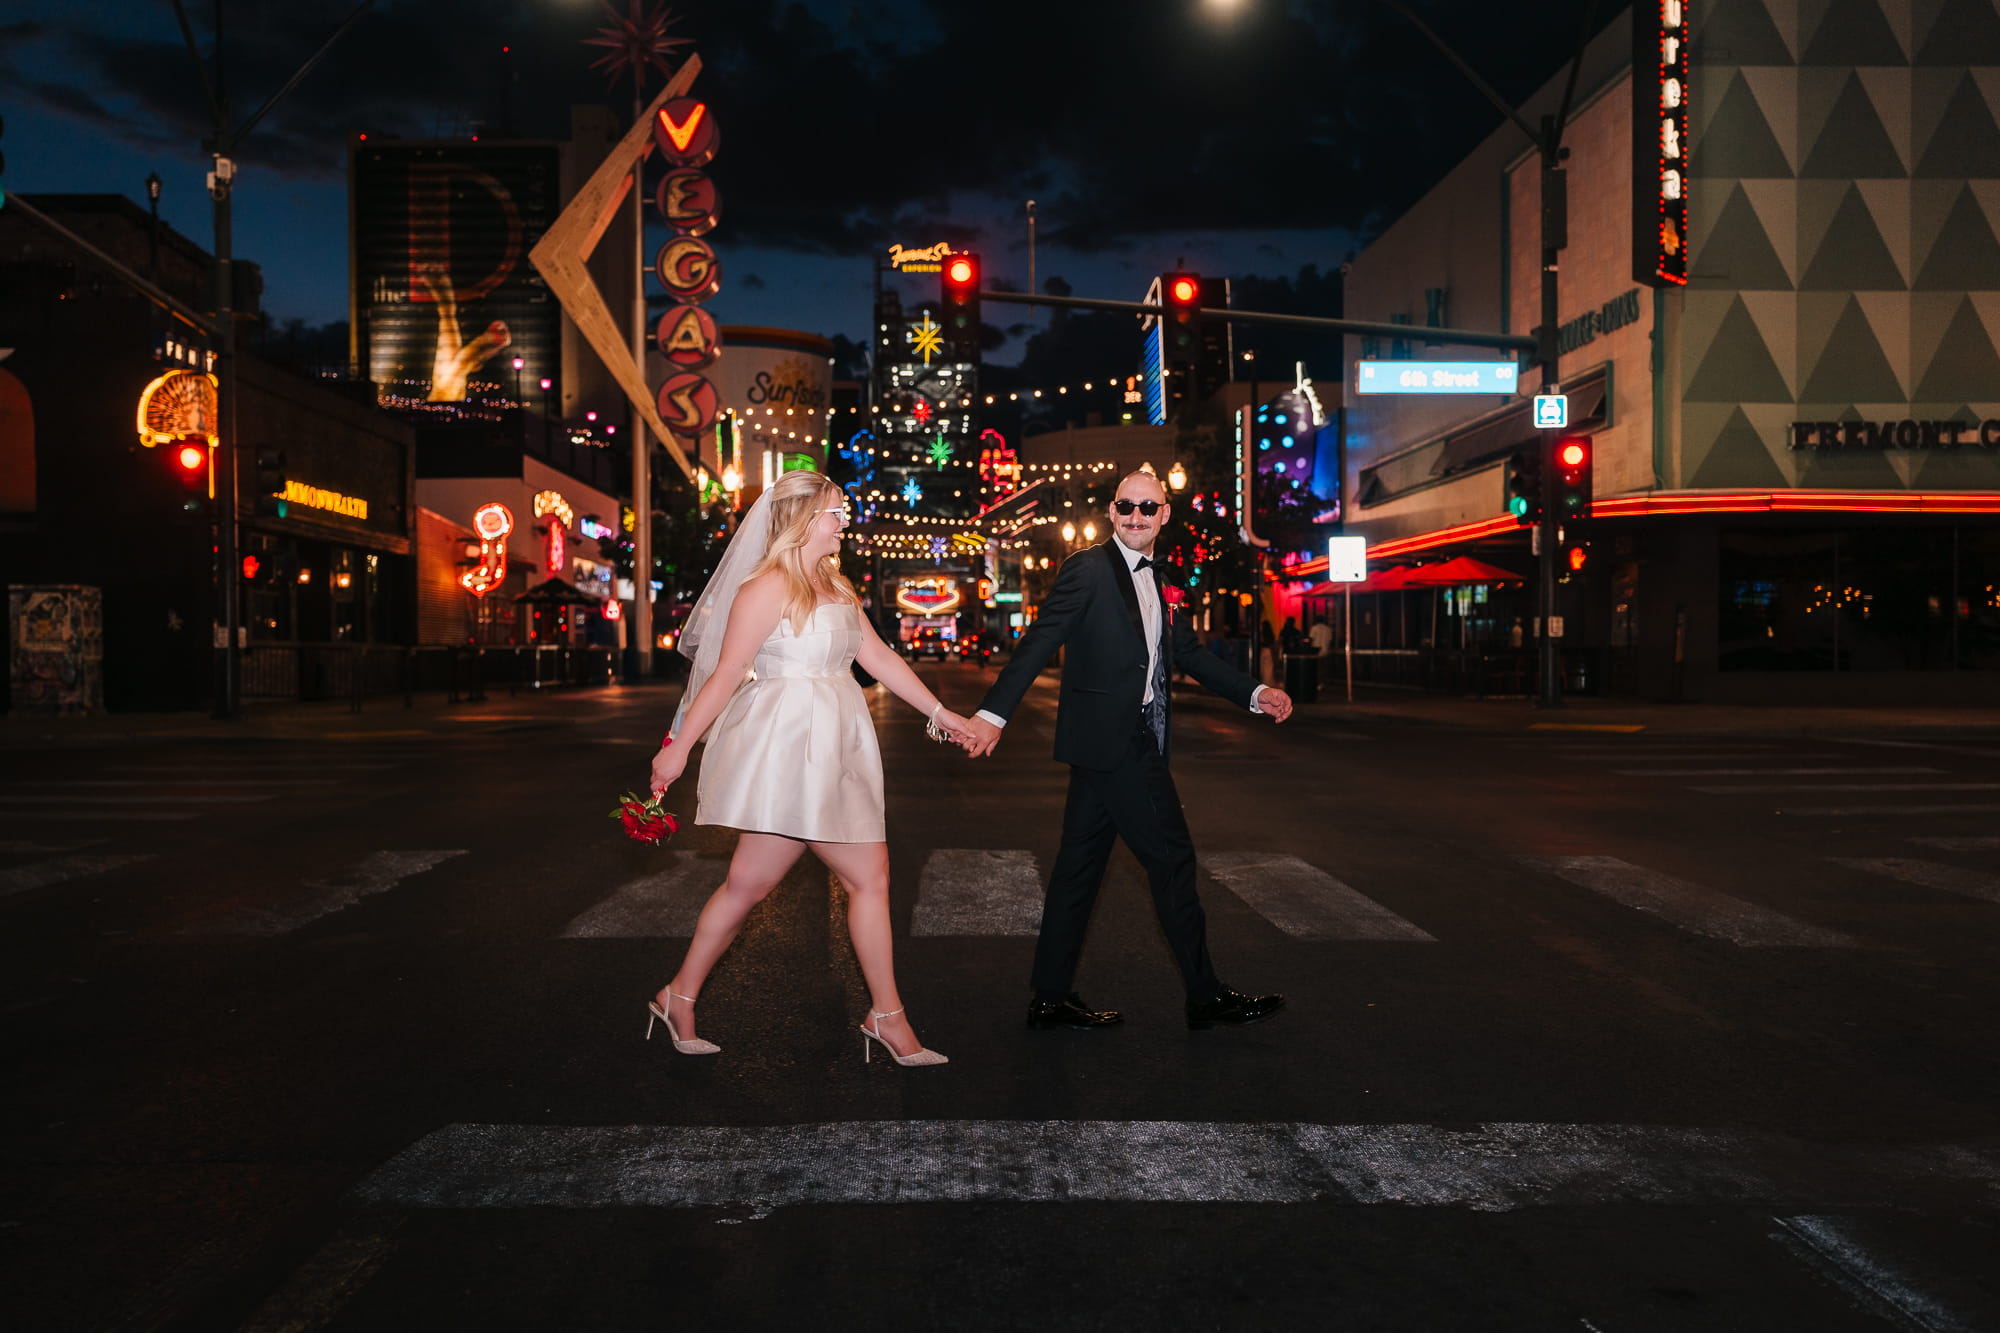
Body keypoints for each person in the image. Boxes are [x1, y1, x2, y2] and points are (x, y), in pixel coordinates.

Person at [644, 470, 972, 1068]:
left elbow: (877, 655)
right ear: (800, 520)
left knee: (748, 885)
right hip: (788, 747)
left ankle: (677, 996)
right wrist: (680, 745)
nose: (843, 521)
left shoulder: (836, 583)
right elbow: (726, 671)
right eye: (833, 512)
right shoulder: (765, 588)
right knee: (868, 876)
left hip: (837, 741)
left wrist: (940, 712)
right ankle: (888, 1016)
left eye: (842, 510)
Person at [958, 470, 1294, 1032]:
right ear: (1111, 513)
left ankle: (1049, 996)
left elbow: (1183, 650)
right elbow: (1041, 639)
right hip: (1121, 745)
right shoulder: (1087, 569)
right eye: (1125, 506)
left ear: (1165, 515)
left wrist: (1255, 693)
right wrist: (993, 716)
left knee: (1078, 871)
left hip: (1107, 747)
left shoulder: (1159, 578)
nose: (1136, 515)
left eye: (1148, 507)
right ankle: (1205, 996)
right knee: (1172, 860)